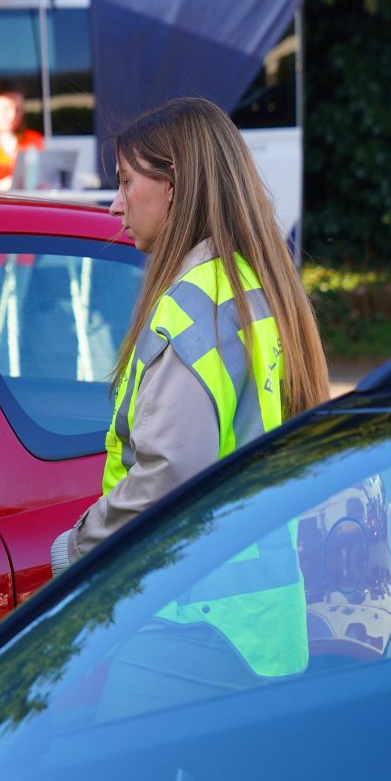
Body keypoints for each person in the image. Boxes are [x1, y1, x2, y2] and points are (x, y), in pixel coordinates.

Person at [50, 96, 329, 674]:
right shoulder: (253, 284)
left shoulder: (195, 304)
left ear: (174, 184)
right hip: (257, 622)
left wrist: (78, 548)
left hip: (185, 623)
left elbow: (171, 473)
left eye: (127, 183)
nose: (114, 205)